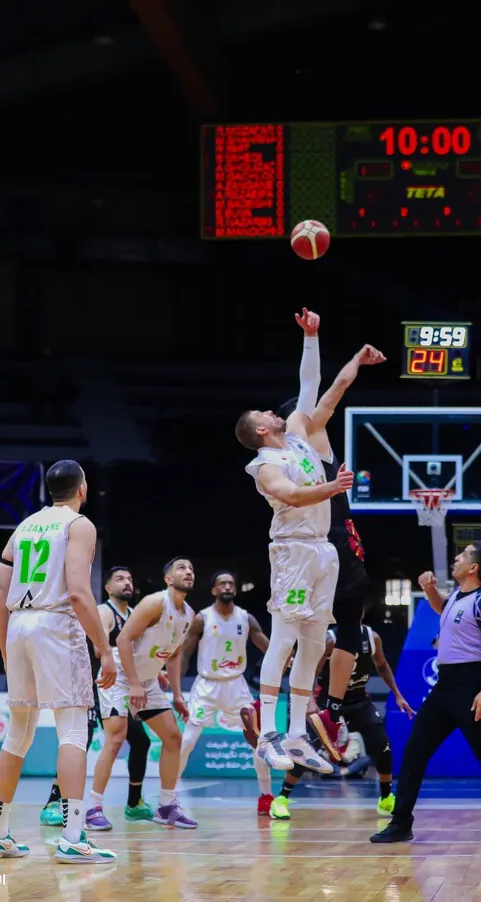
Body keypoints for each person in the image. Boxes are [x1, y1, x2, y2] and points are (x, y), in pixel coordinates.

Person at [234, 307, 353, 774]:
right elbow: (291, 495)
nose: (274, 411)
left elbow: (310, 383)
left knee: (314, 642)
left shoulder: (300, 436)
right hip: (293, 550)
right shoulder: (265, 464)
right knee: (283, 640)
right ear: (262, 430)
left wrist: (311, 337)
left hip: (323, 549)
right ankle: (268, 733)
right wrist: (332, 488)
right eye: (266, 413)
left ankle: (299, 736)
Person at [0, 460, 117, 863]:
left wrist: (6, 650)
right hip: (56, 624)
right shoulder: (79, 525)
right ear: (82, 489)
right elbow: (78, 592)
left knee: (17, 735)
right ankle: (73, 836)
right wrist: (104, 648)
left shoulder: (23, 527)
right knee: (73, 731)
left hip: (18, 625)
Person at [371, 543, 481, 845]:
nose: (456, 558)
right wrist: (429, 590)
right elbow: (443, 608)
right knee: (414, 751)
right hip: (445, 686)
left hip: (470, 685)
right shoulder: (457, 597)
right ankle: (400, 823)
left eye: (463, 555)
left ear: (474, 568)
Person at [274, 342, 386, 759]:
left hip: (300, 549)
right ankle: (328, 713)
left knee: (307, 632)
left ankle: (314, 716)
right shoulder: (308, 435)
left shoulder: (275, 459)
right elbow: (334, 388)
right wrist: (356, 360)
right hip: (332, 539)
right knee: (347, 629)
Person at [40, 565, 155, 829]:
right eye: (120, 579)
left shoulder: (134, 615)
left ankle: (134, 803)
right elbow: (98, 649)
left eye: (129, 578)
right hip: (92, 685)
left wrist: (152, 671)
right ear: (108, 588)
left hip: (117, 686)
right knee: (80, 741)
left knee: (141, 741)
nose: (127, 583)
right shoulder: (104, 612)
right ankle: (53, 803)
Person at [269, 620, 416, 820]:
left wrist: (397, 694)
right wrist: (310, 700)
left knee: (382, 743)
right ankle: (281, 799)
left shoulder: (372, 638)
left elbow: (382, 665)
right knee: (307, 747)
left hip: (358, 699)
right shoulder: (330, 640)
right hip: (328, 700)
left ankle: (385, 798)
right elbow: (311, 671)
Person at [175, 570, 274, 813]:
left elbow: (267, 646)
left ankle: (266, 796)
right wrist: (177, 688)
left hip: (236, 685)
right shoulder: (202, 618)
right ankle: (169, 795)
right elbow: (185, 654)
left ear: (235, 589)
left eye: (231, 583)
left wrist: (286, 658)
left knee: (257, 741)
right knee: (186, 741)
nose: (227, 587)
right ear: (214, 590)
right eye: (222, 584)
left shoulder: (246, 618)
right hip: (206, 685)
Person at [115, 556, 198, 829]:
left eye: (191, 569)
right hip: (120, 677)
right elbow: (123, 639)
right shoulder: (155, 603)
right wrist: (134, 683)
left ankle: (166, 806)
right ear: (168, 579)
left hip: (147, 681)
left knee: (173, 737)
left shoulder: (189, 614)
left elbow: (173, 656)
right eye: (182, 568)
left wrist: (177, 695)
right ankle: (91, 807)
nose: (189, 572)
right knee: (113, 741)